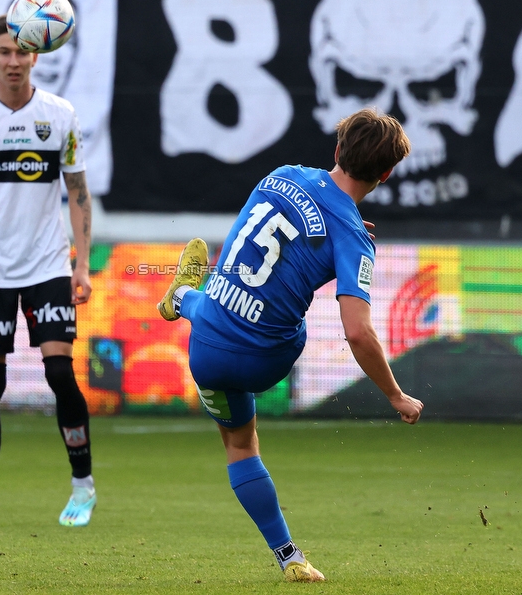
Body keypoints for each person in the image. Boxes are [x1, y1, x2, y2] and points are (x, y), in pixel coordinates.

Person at [157, 108, 424, 582]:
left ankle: (182, 295)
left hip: (207, 349)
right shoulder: (355, 238)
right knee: (292, 326)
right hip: (267, 358)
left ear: (337, 149)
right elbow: (358, 332)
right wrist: (395, 395)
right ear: (385, 174)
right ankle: (292, 561)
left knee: (240, 446)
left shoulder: (281, 175)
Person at [0, 15, 96, 528]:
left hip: (48, 265)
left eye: (20, 53)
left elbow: (78, 192)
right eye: (3, 52)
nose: (12, 61)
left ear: (36, 56)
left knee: (58, 372)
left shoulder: (59, 115)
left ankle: (82, 486)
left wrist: (83, 263)